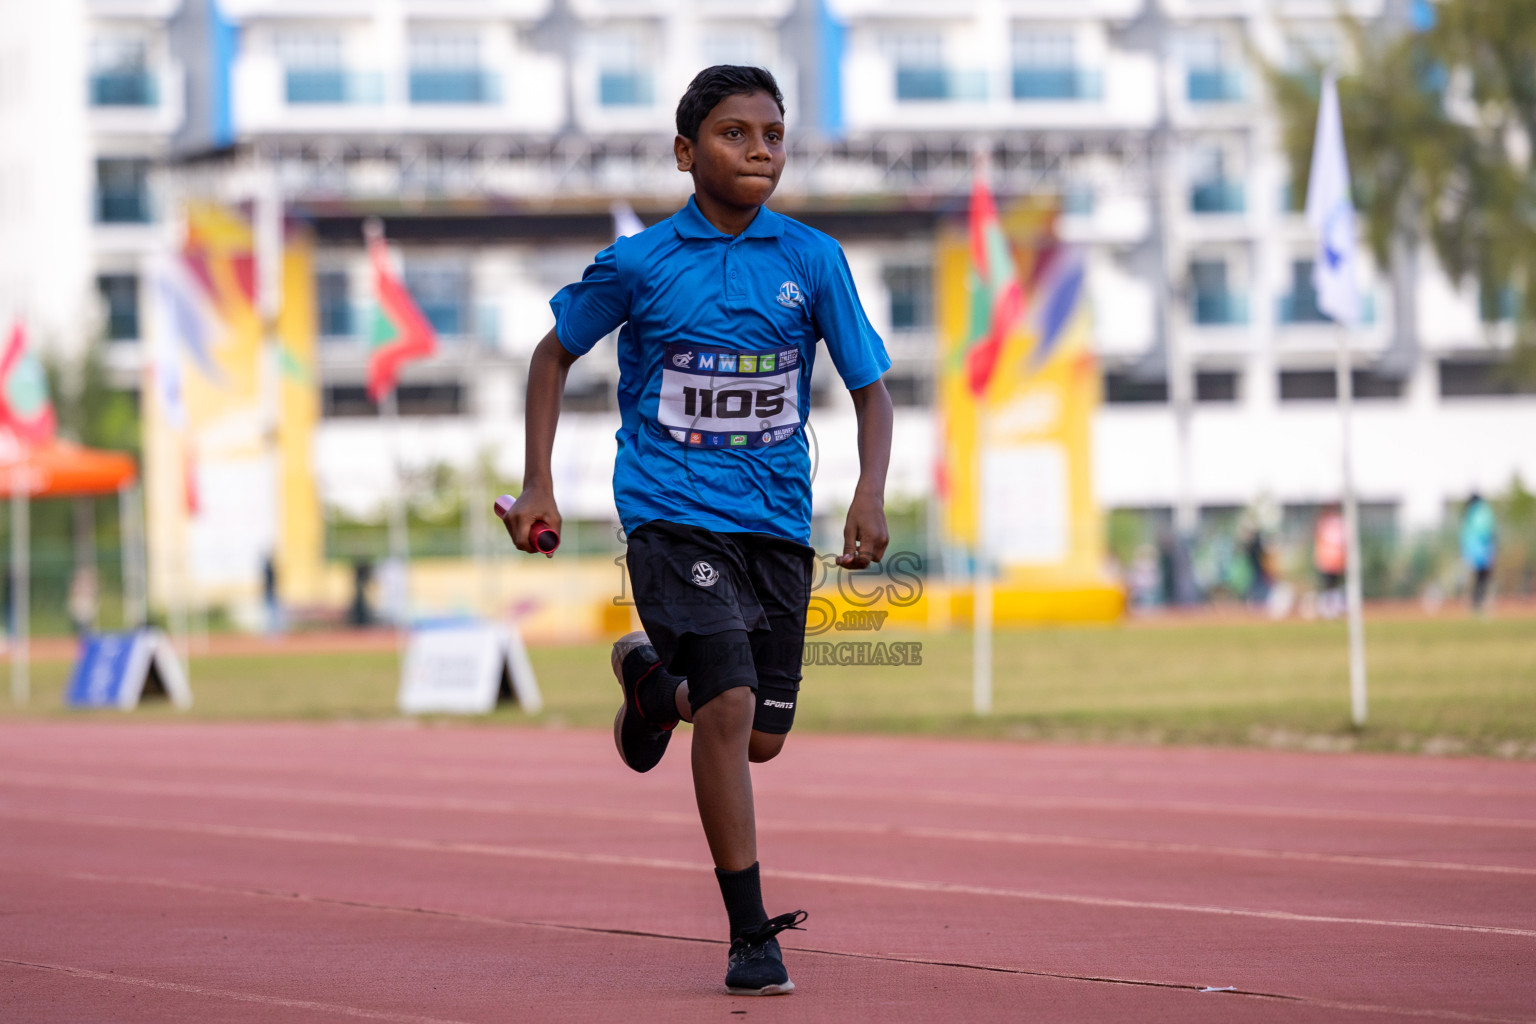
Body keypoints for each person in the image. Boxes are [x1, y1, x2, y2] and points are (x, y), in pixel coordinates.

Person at [508, 66, 892, 997]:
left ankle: (650, 686)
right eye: (734, 134)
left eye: (772, 132)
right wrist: (537, 482)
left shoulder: (812, 260)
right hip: (669, 514)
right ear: (687, 154)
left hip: (773, 521)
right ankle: (750, 932)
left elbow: (870, 389)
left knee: (757, 736)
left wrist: (869, 494)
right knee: (726, 703)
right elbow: (552, 355)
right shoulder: (641, 264)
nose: (759, 149)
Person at [1460, 492, 1497, 613]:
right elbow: (1489, 532)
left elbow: (1466, 535)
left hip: (1473, 551)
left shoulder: (1470, 513)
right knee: (1483, 578)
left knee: (1478, 578)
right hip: (1483, 551)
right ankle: (1479, 602)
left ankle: (1477, 602)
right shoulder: (1483, 512)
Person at [1313, 505, 1347, 620]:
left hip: (1335, 560)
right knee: (1328, 584)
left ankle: (1334, 607)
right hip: (1327, 560)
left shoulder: (1339, 525)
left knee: (1334, 585)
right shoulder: (1325, 525)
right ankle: (1326, 608)